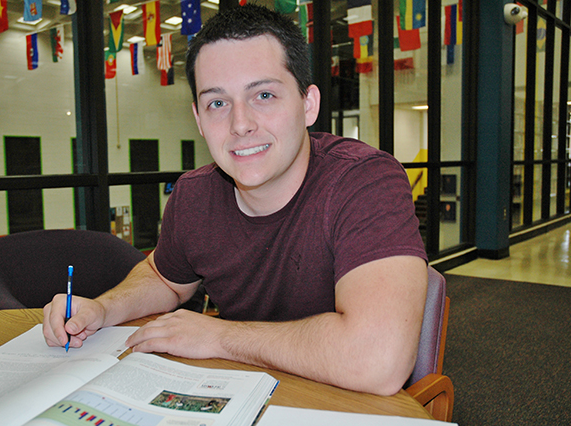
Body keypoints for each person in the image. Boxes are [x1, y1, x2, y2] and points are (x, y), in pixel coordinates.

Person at [43, 3, 428, 396]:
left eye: (263, 94)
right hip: (240, 393)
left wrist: (220, 337)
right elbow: (164, 277)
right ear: (198, 119)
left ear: (308, 104)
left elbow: (377, 361)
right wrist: (103, 309)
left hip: (344, 403)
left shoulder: (364, 182)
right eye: (217, 103)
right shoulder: (195, 195)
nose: (240, 124)